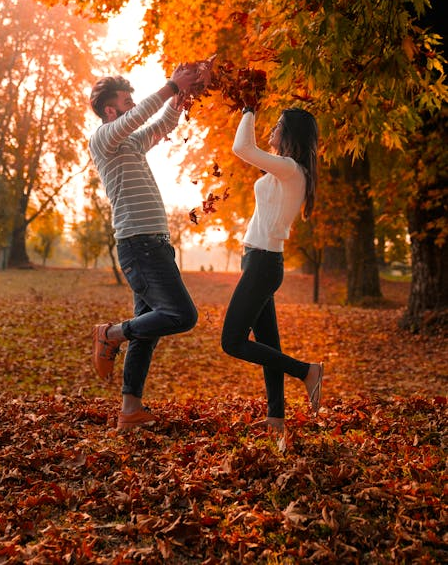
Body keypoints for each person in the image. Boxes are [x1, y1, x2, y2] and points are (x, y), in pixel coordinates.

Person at [89, 66, 202, 432]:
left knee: (147, 330)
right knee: (182, 315)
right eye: (126, 102)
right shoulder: (103, 138)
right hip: (140, 244)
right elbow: (141, 116)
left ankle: (130, 411)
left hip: (153, 243)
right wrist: (171, 86)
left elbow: (160, 125)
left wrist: (184, 96)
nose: (133, 106)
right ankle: (110, 334)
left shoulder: (131, 144)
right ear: (110, 111)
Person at [221, 105, 323, 442]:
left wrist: (248, 109)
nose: (272, 129)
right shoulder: (283, 172)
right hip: (258, 261)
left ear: (291, 134)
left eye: (278, 125)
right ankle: (276, 418)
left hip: (264, 265)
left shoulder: (291, 170)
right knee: (269, 344)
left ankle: (307, 371)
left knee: (232, 342)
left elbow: (242, 149)